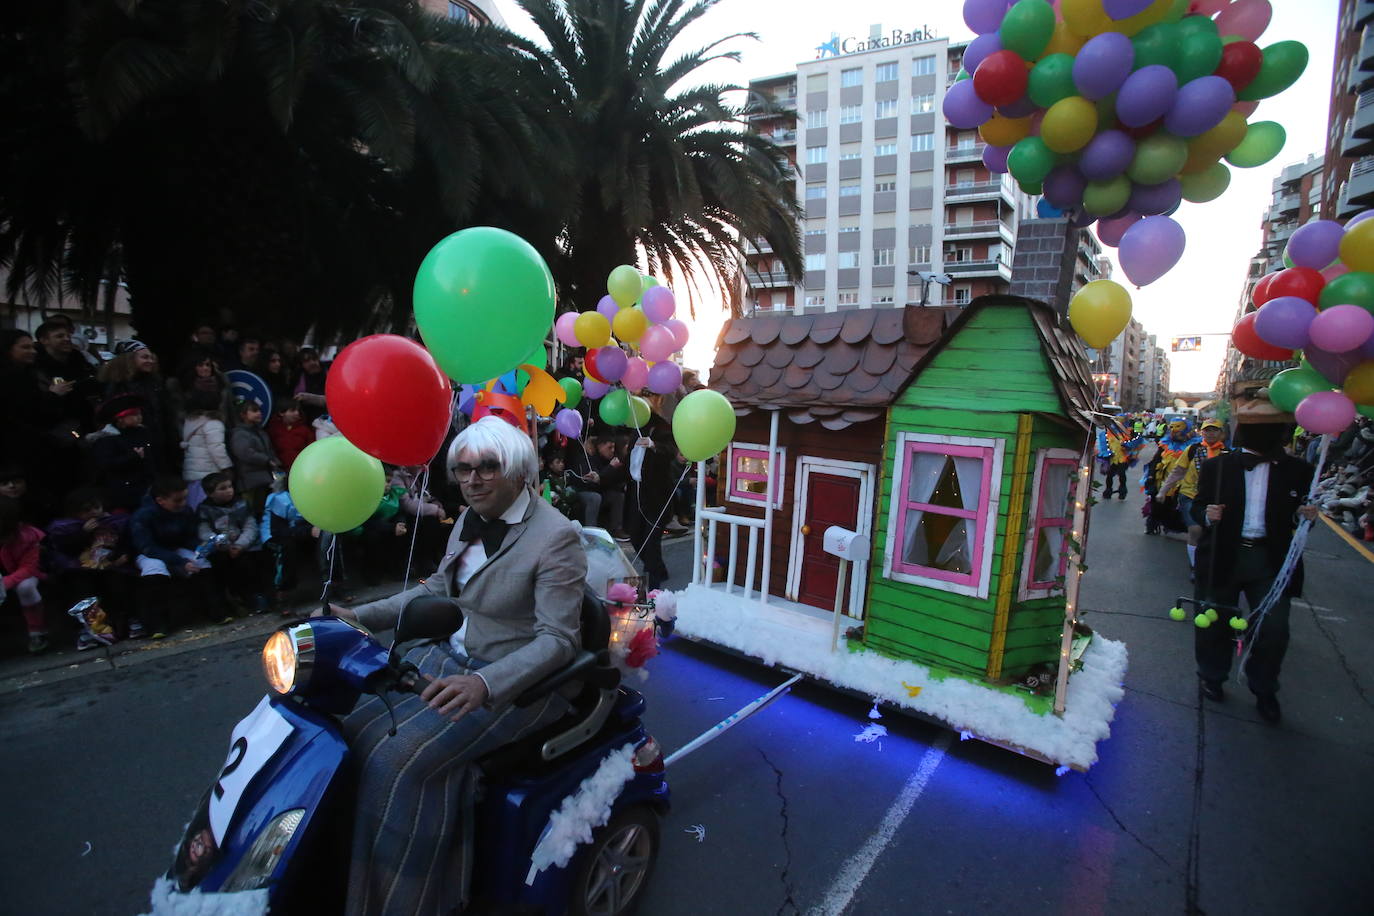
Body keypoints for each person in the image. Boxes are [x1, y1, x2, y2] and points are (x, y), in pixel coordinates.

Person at [325, 416, 585, 916]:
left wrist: (485, 684)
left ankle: (409, 901)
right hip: (449, 657)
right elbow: (437, 590)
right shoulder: (469, 519)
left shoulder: (557, 537)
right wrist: (358, 617)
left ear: (519, 471)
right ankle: (348, 873)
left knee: (396, 764)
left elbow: (559, 640)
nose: (473, 479)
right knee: (350, 728)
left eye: (488, 467)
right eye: (464, 469)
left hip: (518, 683)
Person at [1191, 422, 1317, 723]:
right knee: (1213, 620)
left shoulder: (1299, 470)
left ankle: (1264, 688)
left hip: (1271, 559)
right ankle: (1212, 675)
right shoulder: (1217, 467)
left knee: (1273, 629)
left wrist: (1307, 517)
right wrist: (1207, 515)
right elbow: (1196, 507)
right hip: (1223, 554)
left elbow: (1303, 515)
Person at [130, 475, 232, 638]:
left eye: (184, 498)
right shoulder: (143, 516)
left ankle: (217, 610)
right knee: (155, 570)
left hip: (175, 548)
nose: (183, 504)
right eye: (177, 500)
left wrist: (202, 547)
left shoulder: (184, 511)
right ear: (160, 500)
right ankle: (157, 624)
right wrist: (179, 562)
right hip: (150, 552)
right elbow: (147, 546)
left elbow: (189, 536)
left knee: (202, 564)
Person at [44, 488, 136, 640]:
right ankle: (91, 629)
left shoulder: (115, 521)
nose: (93, 512)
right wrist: (83, 533)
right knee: (82, 589)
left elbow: (125, 541)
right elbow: (65, 550)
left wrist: (123, 556)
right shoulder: (65, 527)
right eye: (86, 510)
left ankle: (125, 622)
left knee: (118, 585)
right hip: (81, 569)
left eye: (96, 507)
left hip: (110, 566)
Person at [1160, 418, 1229, 579]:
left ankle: (1211, 564)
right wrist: (1163, 491)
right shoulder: (1193, 449)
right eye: (1207, 430)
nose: (1210, 433)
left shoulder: (1228, 453)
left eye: (1214, 430)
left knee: (1214, 534)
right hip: (1191, 495)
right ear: (1202, 432)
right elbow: (1178, 471)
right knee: (1195, 530)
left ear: (1221, 433)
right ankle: (1195, 567)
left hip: (1217, 498)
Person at [197, 471, 269, 614]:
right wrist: (218, 542)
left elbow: (250, 526)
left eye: (230, 487)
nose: (229, 491)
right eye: (222, 488)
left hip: (245, 546)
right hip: (220, 548)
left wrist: (240, 545)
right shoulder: (205, 510)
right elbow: (203, 530)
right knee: (222, 567)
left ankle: (257, 598)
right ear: (210, 493)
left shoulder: (241, 504)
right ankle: (233, 600)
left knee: (250, 565)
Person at [86, 395, 158, 512]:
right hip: (124, 491)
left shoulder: (142, 433)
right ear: (120, 419)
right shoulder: (106, 440)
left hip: (146, 485)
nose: (139, 417)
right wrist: (133, 457)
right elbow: (106, 464)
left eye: (139, 414)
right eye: (134, 415)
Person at [1, 495, 52, 653]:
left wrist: (4, 584)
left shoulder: (27, 538)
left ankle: (38, 631)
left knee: (26, 588)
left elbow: (29, 567)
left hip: (26, 574)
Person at [180, 389, 233, 510]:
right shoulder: (213, 423)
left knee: (194, 506)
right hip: (208, 474)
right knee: (208, 508)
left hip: (192, 474)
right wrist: (226, 467)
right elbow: (216, 448)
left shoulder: (190, 421)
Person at [229, 400, 281, 515]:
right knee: (253, 511)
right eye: (254, 411)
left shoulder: (260, 432)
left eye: (259, 411)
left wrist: (275, 460)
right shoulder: (239, 433)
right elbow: (244, 452)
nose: (259, 413)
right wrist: (267, 460)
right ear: (243, 415)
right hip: (250, 481)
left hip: (265, 479)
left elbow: (269, 449)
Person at [1098, 417, 1142, 501]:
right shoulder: (1108, 433)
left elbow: (1135, 443)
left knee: (1122, 474)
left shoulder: (1127, 433)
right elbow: (1103, 444)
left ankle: (1122, 491)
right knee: (1109, 475)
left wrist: (1127, 446)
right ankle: (1108, 490)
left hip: (1123, 458)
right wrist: (1107, 453)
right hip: (1112, 458)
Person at [266, 402, 314, 472]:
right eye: (292, 410)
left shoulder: (305, 430)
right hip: (279, 471)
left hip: (301, 469)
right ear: (282, 413)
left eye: (298, 411)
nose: (297, 413)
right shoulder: (273, 430)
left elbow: (311, 450)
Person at [293, 348, 329, 421]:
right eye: (307, 361)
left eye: (314, 359)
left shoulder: (329, 373)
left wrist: (308, 398)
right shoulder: (298, 378)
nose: (312, 362)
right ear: (301, 364)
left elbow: (333, 400)